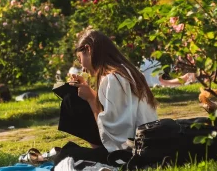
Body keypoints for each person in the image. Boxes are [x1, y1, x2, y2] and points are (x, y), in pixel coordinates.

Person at [54, 29, 159, 166]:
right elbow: (119, 114)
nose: (83, 68)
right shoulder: (126, 71)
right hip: (142, 144)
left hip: (129, 153)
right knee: (73, 98)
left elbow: (116, 132)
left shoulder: (112, 78)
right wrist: (88, 91)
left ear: (88, 49)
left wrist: (92, 98)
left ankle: (101, 153)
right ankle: (99, 151)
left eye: (80, 60)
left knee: (65, 155)